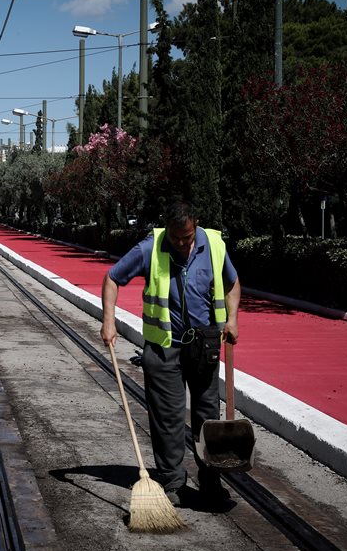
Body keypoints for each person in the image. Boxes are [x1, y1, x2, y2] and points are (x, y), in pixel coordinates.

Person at [100, 200, 241, 507]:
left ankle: (210, 481)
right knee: (168, 419)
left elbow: (232, 283)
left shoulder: (214, 245)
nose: (180, 244)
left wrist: (232, 319)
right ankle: (172, 481)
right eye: (175, 238)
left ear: (196, 226)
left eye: (186, 237)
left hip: (204, 347)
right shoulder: (150, 248)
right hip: (164, 348)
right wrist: (108, 321)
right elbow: (112, 278)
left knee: (207, 417)